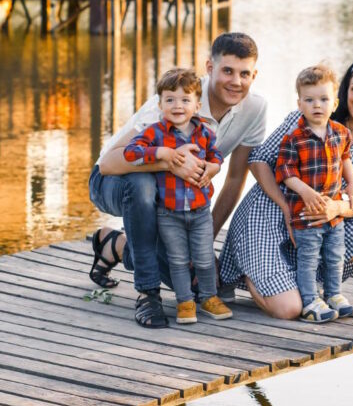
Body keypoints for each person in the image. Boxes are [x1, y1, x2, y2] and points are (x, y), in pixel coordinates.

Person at [88, 33, 267, 328]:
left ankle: (114, 245)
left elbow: (235, 178)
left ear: (254, 75)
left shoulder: (255, 108)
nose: (236, 81)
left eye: (244, 73)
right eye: (227, 71)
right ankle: (147, 294)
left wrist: (204, 239)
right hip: (115, 183)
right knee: (142, 187)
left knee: (201, 285)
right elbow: (109, 164)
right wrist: (170, 161)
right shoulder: (177, 99)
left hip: (173, 198)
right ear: (210, 67)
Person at [219, 49, 353, 319]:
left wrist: (335, 209)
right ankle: (246, 271)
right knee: (289, 310)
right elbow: (258, 160)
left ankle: (310, 286)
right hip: (269, 215)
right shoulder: (307, 115)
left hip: (320, 222)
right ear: (343, 93)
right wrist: (286, 207)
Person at [122, 68, 233, 324]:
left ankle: (208, 297)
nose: (177, 106)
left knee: (204, 258)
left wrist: (215, 166)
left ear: (197, 105)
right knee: (178, 260)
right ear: (160, 104)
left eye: (185, 100)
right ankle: (185, 302)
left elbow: (215, 155)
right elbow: (130, 152)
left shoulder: (205, 133)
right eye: (170, 100)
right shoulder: (155, 133)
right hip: (169, 213)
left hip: (200, 212)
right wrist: (162, 153)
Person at [276, 65, 353, 322]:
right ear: (300, 103)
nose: (317, 105)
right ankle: (311, 301)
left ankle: (334, 294)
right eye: (310, 100)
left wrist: (352, 188)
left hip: (333, 213)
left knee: (336, 256)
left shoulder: (341, 133)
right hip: (307, 214)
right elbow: (286, 173)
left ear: (334, 103)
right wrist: (306, 192)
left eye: (324, 99)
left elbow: (346, 162)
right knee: (309, 259)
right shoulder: (294, 139)